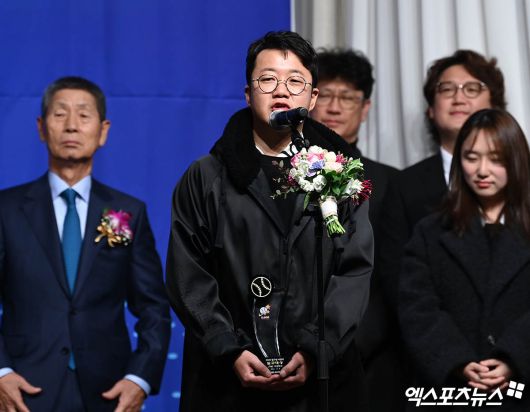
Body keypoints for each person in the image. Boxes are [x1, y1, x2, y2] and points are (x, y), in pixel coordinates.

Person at [166, 31, 374, 412]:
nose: (281, 91)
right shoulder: (206, 177)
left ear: (312, 98)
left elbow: (354, 270)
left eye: (295, 81)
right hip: (226, 382)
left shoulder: (342, 176)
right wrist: (227, 347)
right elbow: (188, 274)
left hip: (322, 381)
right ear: (248, 94)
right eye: (267, 80)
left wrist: (316, 348)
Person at [0, 76, 171, 412]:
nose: (71, 126)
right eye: (60, 114)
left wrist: (139, 378)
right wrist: (1, 372)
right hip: (22, 390)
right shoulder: (6, 210)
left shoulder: (128, 212)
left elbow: (154, 308)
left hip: (108, 392)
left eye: (83, 115)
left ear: (103, 131)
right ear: (41, 127)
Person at [398, 108, 530, 411]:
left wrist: (513, 357)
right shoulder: (431, 231)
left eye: (496, 159)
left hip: (521, 390)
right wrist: (457, 360)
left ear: (516, 160)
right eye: (471, 157)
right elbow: (417, 307)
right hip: (449, 392)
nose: (482, 170)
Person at [379, 50, 506, 307]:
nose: (459, 98)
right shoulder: (404, 186)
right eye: (447, 89)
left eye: (472, 88)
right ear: (431, 110)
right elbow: (395, 278)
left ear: (494, 106)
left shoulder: (521, 177)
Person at [310, 48, 400, 412]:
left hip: (366, 361)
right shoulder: (281, 177)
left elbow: (392, 280)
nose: (334, 108)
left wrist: (348, 345)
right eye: (325, 95)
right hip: (289, 356)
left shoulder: (391, 184)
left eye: (347, 98)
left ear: (365, 108)